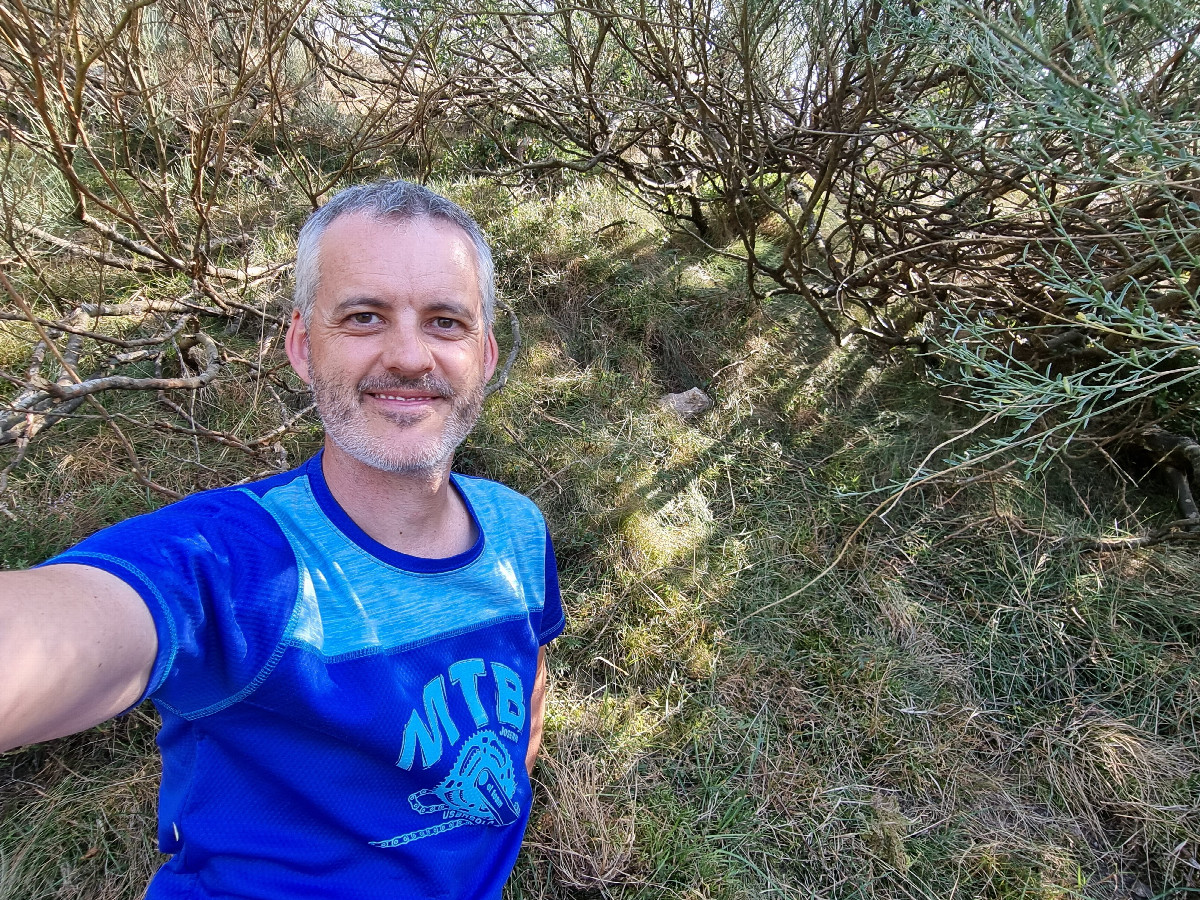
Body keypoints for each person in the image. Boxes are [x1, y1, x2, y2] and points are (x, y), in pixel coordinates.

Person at [0, 180, 565, 899]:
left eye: (445, 322)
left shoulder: (517, 526)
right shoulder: (234, 563)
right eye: (364, 317)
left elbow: (529, 671)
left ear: (484, 355)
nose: (409, 356)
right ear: (303, 346)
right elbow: (78, 624)